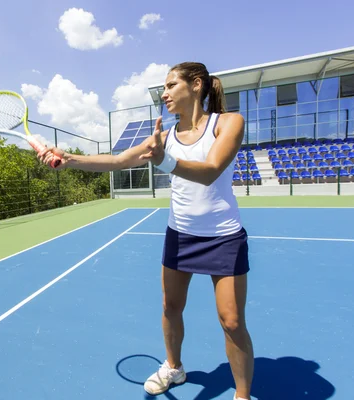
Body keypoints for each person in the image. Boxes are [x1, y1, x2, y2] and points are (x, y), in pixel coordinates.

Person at [37, 62, 254, 400]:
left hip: (223, 237)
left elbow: (211, 170)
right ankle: (174, 367)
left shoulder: (229, 123)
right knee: (171, 307)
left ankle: (241, 395)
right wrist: (70, 159)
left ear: (196, 85)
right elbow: (120, 160)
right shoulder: (164, 138)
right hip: (180, 235)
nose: (164, 94)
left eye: (170, 85)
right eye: (163, 88)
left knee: (232, 322)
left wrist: (164, 160)